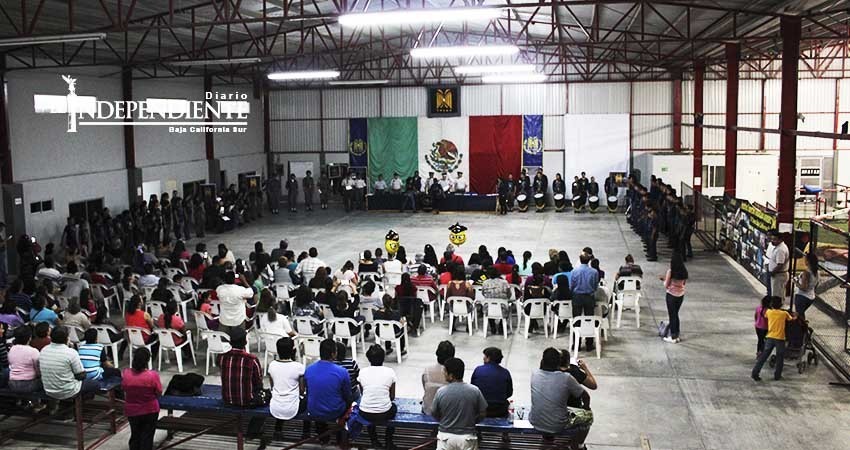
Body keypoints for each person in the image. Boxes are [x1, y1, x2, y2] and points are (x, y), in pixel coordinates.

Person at [529, 348, 592, 447]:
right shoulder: (566, 378)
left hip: (535, 421)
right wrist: (586, 408)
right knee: (588, 417)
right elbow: (586, 396)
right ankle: (579, 444)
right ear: (558, 363)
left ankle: (547, 438)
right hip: (558, 425)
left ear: (542, 360)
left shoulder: (534, 374)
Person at [219, 328, 267, 443]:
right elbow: (258, 383)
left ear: (230, 342)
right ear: (245, 342)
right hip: (247, 401)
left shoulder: (221, 358)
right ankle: (253, 431)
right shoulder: (252, 360)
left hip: (227, 399)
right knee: (266, 399)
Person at [431, 357, 488, 450]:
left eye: (445, 371)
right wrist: (472, 421)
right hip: (467, 437)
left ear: (451, 375)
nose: (443, 374)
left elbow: (434, 412)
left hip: (445, 437)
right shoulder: (475, 391)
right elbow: (483, 413)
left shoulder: (441, 392)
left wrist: (444, 421)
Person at [304, 339, 353, 444]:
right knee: (349, 403)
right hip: (334, 411)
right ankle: (341, 434)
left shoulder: (309, 369)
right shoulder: (342, 372)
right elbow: (348, 396)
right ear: (333, 354)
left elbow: (308, 392)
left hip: (313, 410)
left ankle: (322, 434)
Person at [40, 327, 100, 406]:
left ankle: (65, 404)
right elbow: (81, 375)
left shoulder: (44, 350)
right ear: (67, 338)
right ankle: (76, 406)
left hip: (49, 390)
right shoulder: (71, 353)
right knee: (95, 384)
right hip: (68, 391)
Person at [268, 337, 308, 441]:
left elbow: (272, 387)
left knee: (281, 397)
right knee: (308, 400)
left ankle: (278, 429)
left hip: (275, 406)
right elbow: (302, 390)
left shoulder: (272, 365)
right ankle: (306, 432)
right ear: (293, 350)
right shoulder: (298, 367)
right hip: (293, 407)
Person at [358, 344, 398, 449]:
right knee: (394, 408)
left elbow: (363, 393)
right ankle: (388, 440)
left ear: (368, 358)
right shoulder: (390, 372)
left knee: (369, 409)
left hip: (365, 412)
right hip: (384, 412)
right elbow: (392, 397)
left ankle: (374, 440)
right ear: (383, 358)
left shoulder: (362, 372)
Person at [122, 348, 162, 450]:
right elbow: (159, 392)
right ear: (147, 361)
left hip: (132, 410)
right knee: (147, 436)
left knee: (135, 434)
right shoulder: (153, 376)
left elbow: (124, 388)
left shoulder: (126, 373)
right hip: (150, 410)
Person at [752, 296, 797, 381]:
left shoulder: (769, 312)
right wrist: (796, 316)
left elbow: (765, 315)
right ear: (781, 305)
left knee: (764, 356)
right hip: (780, 338)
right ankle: (777, 375)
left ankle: (755, 372)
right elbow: (792, 319)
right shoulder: (784, 314)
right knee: (780, 357)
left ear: (772, 304)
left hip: (770, 336)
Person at [470, 347, 513, 418]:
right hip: (499, 410)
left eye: (485, 356)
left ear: (488, 358)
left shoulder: (478, 370)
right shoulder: (505, 372)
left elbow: (473, 390)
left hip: (480, 409)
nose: (483, 358)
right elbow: (509, 393)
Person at [660, 252, 688, 343]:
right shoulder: (684, 272)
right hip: (680, 296)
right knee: (676, 314)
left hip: (671, 296)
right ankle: (677, 334)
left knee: (672, 316)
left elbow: (666, 285)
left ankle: (673, 336)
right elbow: (683, 283)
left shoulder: (671, 271)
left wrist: (664, 281)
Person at [570, 253, 599, 339]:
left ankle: (576, 343)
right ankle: (589, 342)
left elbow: (571, 285)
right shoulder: (594, 272)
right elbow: (595, 286)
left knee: (577, 319)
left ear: (580, 259)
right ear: (589, 260)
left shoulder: (574, 271)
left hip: (577, 297)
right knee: (589, 319)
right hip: (589, 297)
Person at [422, 340, 455, 414]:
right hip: (447, 413)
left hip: (428, 410)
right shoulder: (453, 374)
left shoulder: (427, 370)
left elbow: (425, 388)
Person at [8, 327, 42, 394]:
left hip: (12, 384)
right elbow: (38, 370)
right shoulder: (33, 351)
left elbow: (11, 364)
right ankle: (37, 404)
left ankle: (21, 401)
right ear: (29, 338)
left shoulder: (12, 349)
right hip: (29, 384)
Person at [793, 251, 819, 320]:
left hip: (802, 296)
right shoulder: (817, 272)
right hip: (811, 296)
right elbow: (816, 284)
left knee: (800, 316)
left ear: (808, 261)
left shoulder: (806, 273)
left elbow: (804, 287)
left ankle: (802, 329)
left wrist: (795, 282)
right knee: (800, 314)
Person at [766, 231, 789, 300]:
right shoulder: (778, 247)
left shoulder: (780, 250)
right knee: (777, 293)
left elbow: (780, 264)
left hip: (779, 275)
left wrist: (773, 272)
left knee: (777, 295)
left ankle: (777, 309)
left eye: (775, 239)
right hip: (778, 275)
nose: (772, 241)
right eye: (772, 239)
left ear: (780, 239)